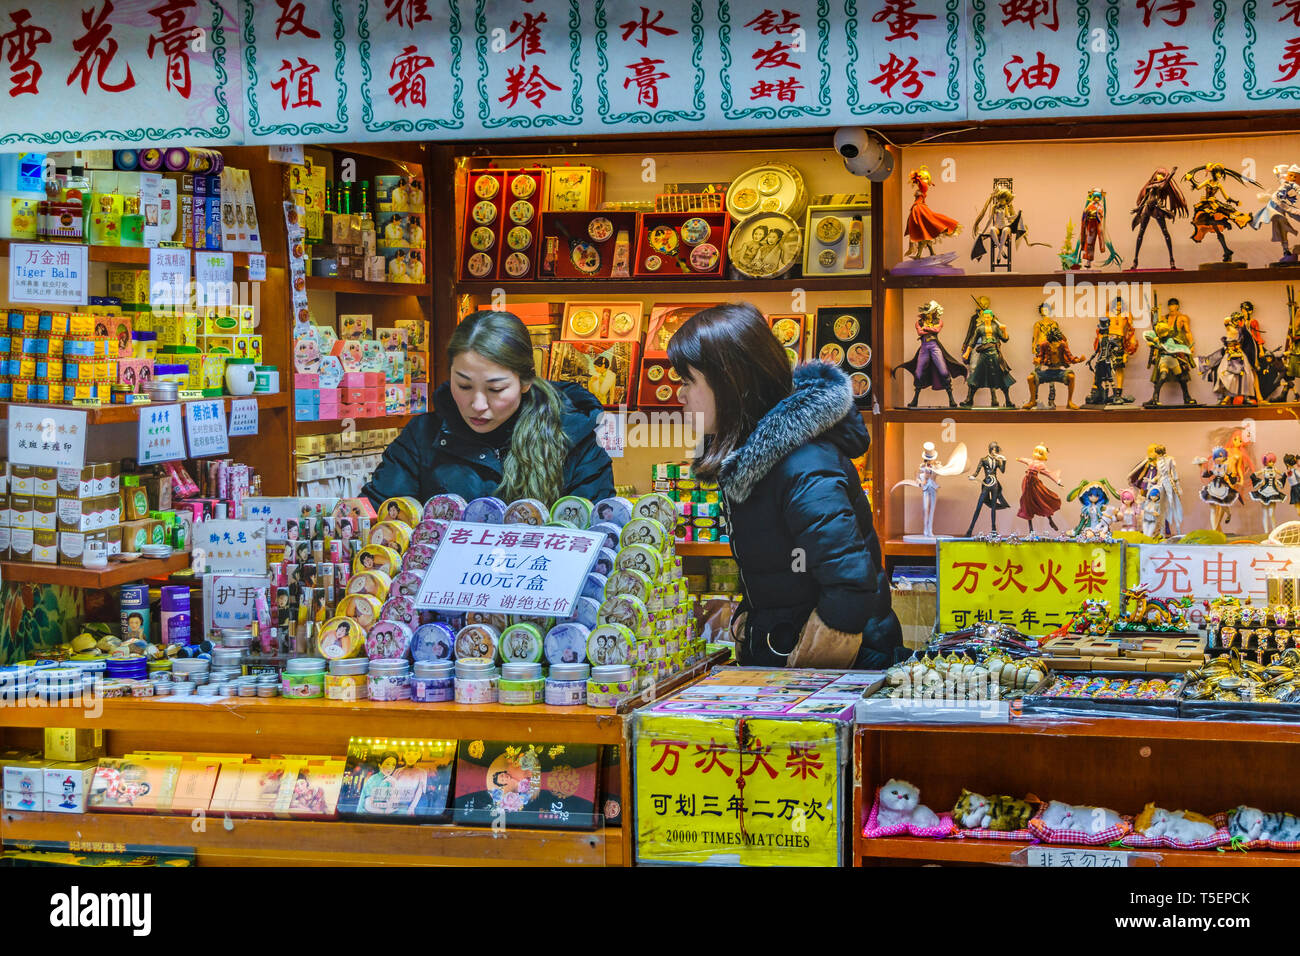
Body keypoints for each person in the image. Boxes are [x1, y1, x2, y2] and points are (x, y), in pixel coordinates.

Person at [668, 302, 902, 669]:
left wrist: (801, 664)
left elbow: (850, 587)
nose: (679, 394)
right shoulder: (755, 457)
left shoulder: (803, 464)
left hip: (835, 677)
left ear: (730, 382)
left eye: (687, 381)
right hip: (784, 655)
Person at [363, 310, 614, 507]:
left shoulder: (574, 434)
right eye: (463, 385)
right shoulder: (423, 435)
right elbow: (384, 517)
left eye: (495, 390)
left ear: (525, 381)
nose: (478, 405)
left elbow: (594, 534)